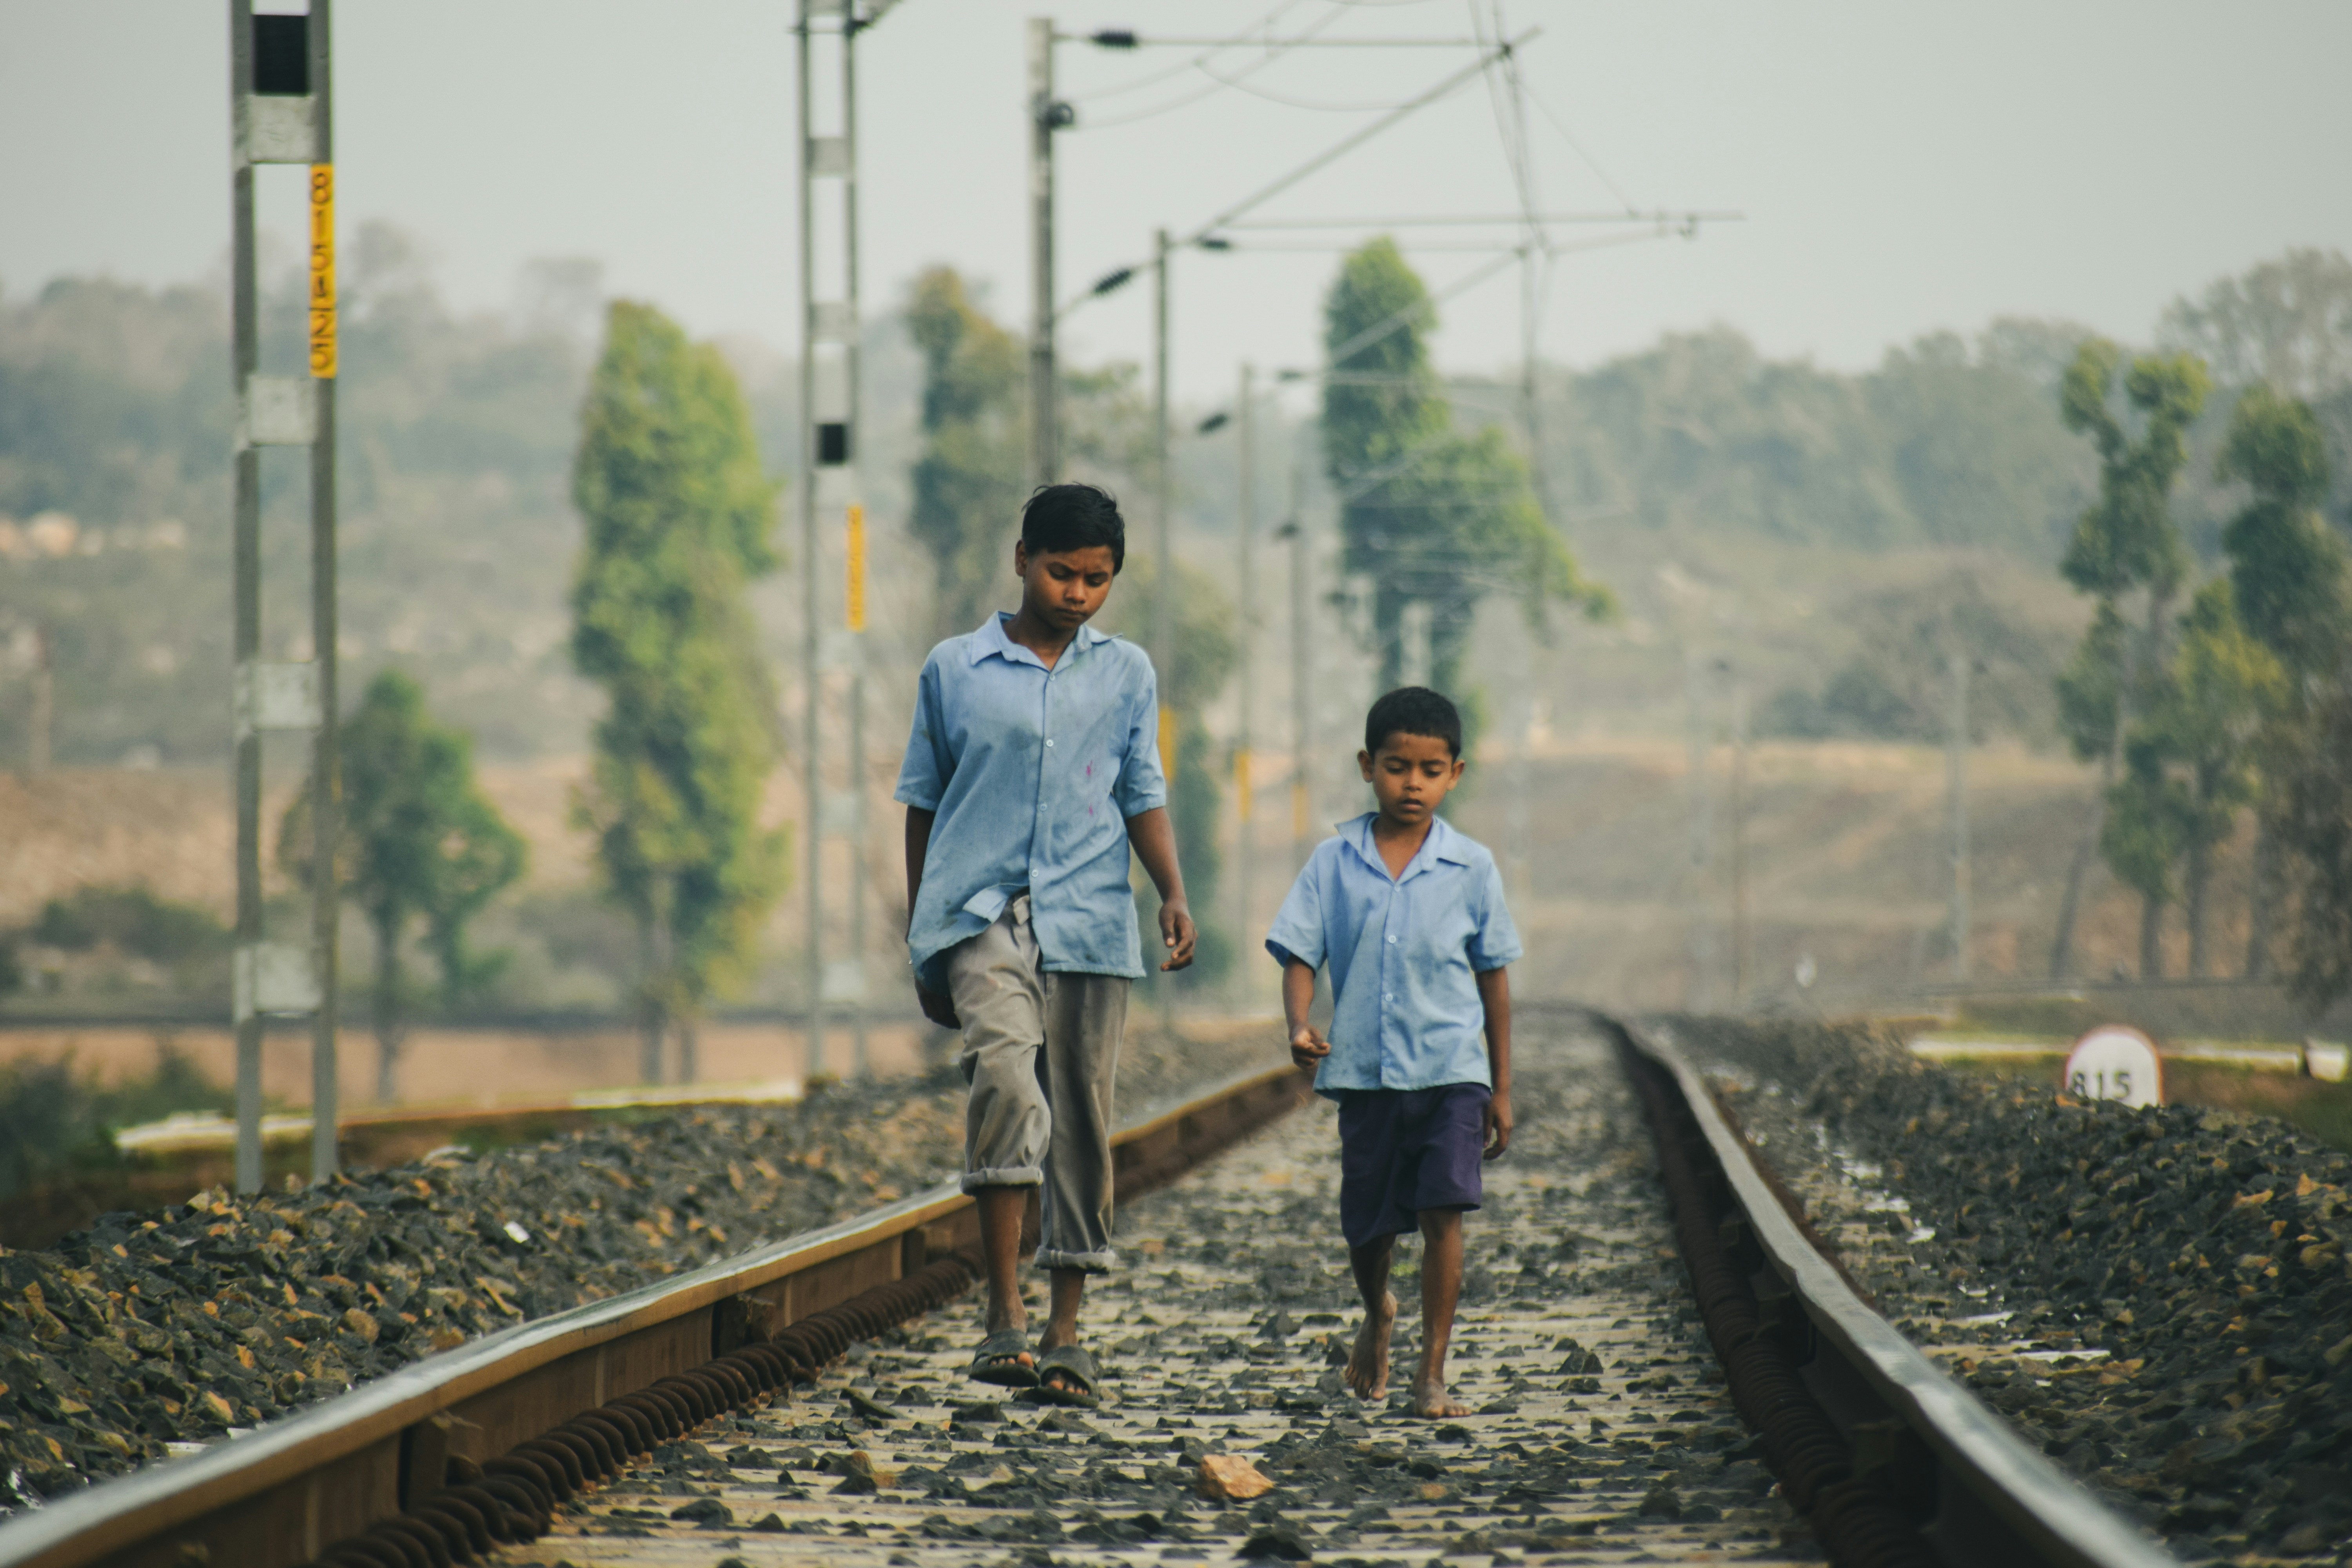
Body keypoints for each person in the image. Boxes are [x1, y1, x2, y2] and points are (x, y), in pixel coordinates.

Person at [895, 482, 1197, 1408]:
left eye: (1095, 579)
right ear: (1021, 558)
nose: (1075, 592)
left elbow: (1140, 790)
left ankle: (1066, 1332)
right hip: (980, 912)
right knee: (1006, 1083)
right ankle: (1003, 1315)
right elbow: (923, 799)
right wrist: (924, 929)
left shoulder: (1127, 673)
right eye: (1060, 572)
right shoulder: (955, 668)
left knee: (1080, 1117)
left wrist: (1174, 891)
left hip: (1092, 919)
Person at [1265, 686, 1519, 1419]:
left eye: (1431, 770)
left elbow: (1494, 977)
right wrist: (1299, 1021)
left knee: (1445, 1209)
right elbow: (1299, 951)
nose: (1414, 784)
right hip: (1368, 1075)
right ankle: (1378, 1309)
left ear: (1456, 774)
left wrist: (1501, 1088)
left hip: (1453, 1074)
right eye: (1398, 766)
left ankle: (1431, 1375)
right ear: (1367, 766)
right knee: (1369, 1223)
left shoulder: (1472, 868)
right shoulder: (1333, 862)